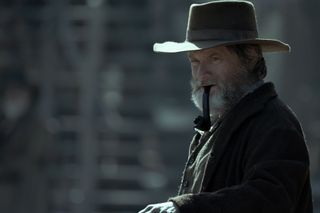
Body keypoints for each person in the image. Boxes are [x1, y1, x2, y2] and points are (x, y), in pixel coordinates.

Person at [139, 1, 313, 213]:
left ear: (249, 57)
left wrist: (184, 208)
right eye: (195, 61)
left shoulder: (275, 125)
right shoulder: (218, 125)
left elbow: (268, 201)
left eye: (215, 58)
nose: (202, 73)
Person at [0, 70, 54, 213]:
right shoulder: (4, 125)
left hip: (25, 200)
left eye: (19, 95)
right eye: (10, 95)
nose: (14, 99)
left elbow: (30, 162)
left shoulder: (38, 129)